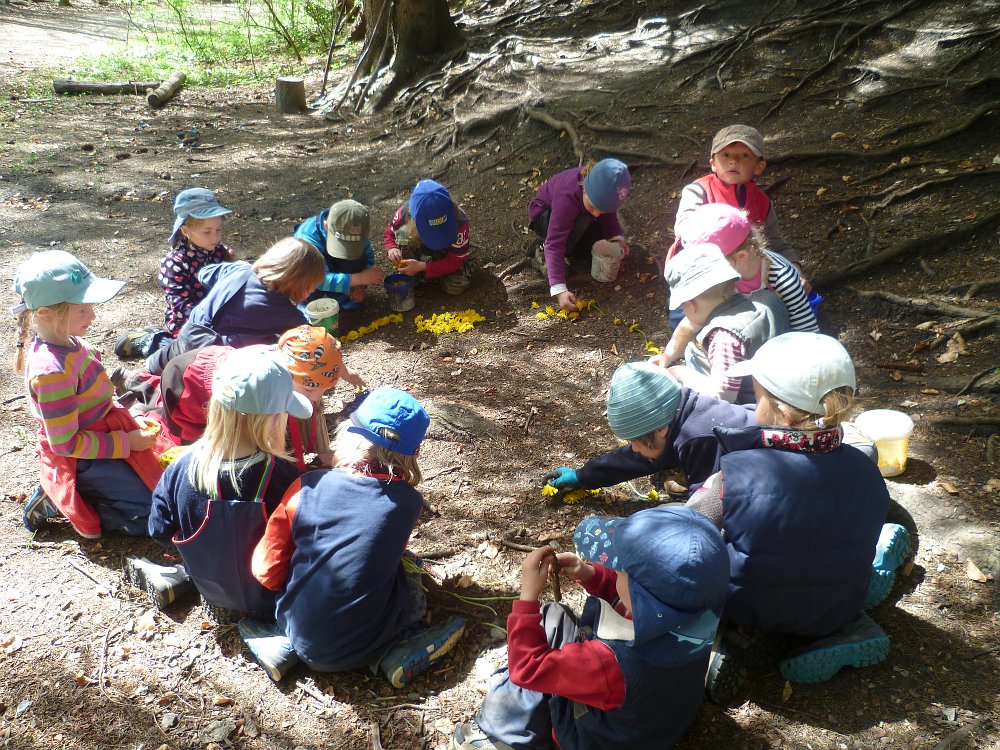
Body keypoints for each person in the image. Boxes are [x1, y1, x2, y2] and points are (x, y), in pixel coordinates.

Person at [687, 333, 910, 702]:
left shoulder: (733, 479)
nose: (752, 405)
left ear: (779, 412)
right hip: (838, 600)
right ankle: (844, 626)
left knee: (704, 568)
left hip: (753, 605)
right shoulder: (867, 470)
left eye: (756, 396)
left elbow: (685, 533)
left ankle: (728, 641)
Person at [451, 505, 730, 750]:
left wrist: (528, 598)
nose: (615, 571)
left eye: (620, 571)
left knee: (541, 635)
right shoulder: (697, 603)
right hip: (656, 723)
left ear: (642, 596)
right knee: (555, 616)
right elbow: (634, 600)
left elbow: (528, 668)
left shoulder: (612, 663)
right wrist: (588, 573)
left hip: (596, 739)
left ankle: (501, 737)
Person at [239, 387, 466, 684]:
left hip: (295, 625)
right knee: (410, 575)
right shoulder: (408, 502)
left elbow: (266, 571)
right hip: (367, 641)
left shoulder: (307, 487)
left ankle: (283, 646)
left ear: (349, 431)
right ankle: (400, 647)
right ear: (416, 453)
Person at [133, 348, 312, 618]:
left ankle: (180, 578)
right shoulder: (283, 475)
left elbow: (159, 530)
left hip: (210, 586)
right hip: (273, 594)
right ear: (274, 419)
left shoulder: (180, 468)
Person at [13, 250, 166, 540]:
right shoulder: (52, 373)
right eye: (82, 309)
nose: (93, 315)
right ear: (46, 313)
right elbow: (66, 444)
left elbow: (94, 398)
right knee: (155, 515)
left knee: (164, 488)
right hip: (81, 457)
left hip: (103, 437)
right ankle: (63, 494)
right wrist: (126, 442)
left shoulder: (70, 341)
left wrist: (128, 415)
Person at [542, 361, 755, 498]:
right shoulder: (678, 413)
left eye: (635, 440)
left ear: (661, 428)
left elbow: (710, 507)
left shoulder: (700, 440)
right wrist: (583, 476)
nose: (633, 447)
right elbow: (638, 458)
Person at [653, 203, 817, 366]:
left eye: (706, 265)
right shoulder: (715, 279)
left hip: (777, 340)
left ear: (741, 257)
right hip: (740, 334)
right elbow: (692, 322)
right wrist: (667, 356)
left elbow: (807, 332)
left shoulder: (782, 279)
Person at [143, 237, 326, 375]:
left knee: (162, 362)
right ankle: (153, 348)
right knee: (272, 344)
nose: (311, 293)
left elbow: (205, 274)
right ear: (296, 283)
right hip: (215, 357)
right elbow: (310, 340)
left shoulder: (239, 268)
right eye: (310, 288)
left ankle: (141, 370)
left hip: (190, 332)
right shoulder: (285, 312)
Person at [661, 243, 789, 403]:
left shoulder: (724, 337)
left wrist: (680, 373)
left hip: (751, 406)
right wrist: (667, 356)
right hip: (781, 386)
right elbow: (688, 325)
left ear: (691, 305)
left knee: (692, 352)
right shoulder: (766, 300)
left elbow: (722, 396)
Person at [116, 188, 235, 358]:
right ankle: (152, 341)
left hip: (221, 320)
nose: (215, 237)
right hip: (190, 325)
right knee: (195, 355)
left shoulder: (218, 252)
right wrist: (214, 322)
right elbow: (181, 307)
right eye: (207, 232)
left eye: (218, 230)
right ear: (186, 231)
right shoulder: (174, 264)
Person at [670, 124, 801, 270]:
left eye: (744, 155)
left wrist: (794, 268)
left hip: (745, 271)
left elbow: (777, 244)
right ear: (713, 164)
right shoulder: (699, 191)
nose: (734, 161)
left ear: (759, 166)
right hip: (700, 270)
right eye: (725, 155)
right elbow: (684, 228)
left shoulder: (762, 202)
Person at [527, 158, 631, 312]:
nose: (597, 213)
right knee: (575, 232)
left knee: (594, 239)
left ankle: (574, 246)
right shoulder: (567, 196)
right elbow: (556, 242)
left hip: (578, 215)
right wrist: (559, 289)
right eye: (594, 206)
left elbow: (608, 216)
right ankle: (542, 248)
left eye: (602, 209)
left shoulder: (602, 191)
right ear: (584, 189)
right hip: (546, 217)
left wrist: (616, 239)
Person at [383, 179, 472, 295]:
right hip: (417, 240)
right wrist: (392, 248)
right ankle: (412, 274)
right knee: (402, 234)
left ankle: (440, 268)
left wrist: (423, 267)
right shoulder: (403, 214)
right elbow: (389, 232)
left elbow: (455, 261)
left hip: (445, 250)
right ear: (412, 217)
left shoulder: (459, 220)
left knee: (457, 284)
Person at [294, 199, 384, 310]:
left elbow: (368, 258)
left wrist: (358, 286)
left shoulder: (359, 231)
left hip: (334, 269)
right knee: (307, 287)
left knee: (359, 259)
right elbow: (317, 280)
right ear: (327, 226)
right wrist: (360, 278)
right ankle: (306, 302)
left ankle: (340, 294)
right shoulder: (307, 239)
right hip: (310, 276)